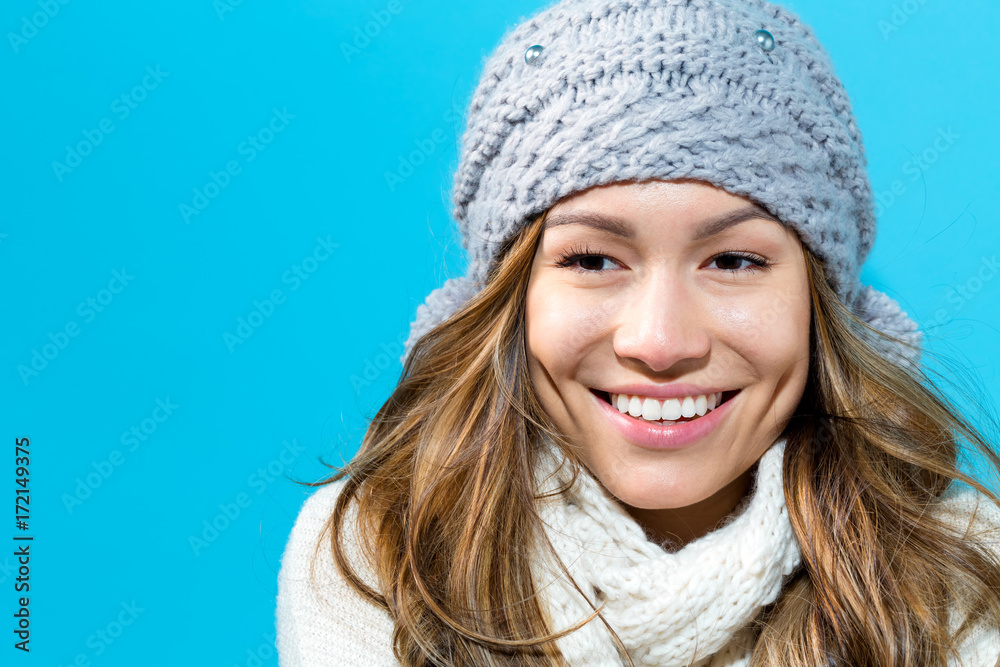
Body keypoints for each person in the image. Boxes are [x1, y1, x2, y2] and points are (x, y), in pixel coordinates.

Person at [275, 0, 1000, 664]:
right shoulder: (378, 553)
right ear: (512, 298)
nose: (659, 341)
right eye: (592, 259)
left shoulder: (967, 572)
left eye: (734, 260)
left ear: (818, 302)